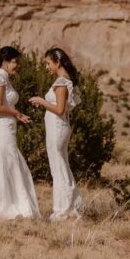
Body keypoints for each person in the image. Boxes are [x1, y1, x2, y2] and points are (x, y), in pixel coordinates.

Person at [29, 46, 83, 220]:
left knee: (58, 168)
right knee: (61, 166)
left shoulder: (61, 82)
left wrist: (41, 101)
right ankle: (69, 206)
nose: (46, 67)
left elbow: (59, 109)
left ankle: (64, 209)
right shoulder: (65, 80)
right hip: (59, 127)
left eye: (48, 63)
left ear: (58, 62)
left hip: (57, 127)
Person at [0, 46, 40, 219]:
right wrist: (16, 113)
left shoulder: (2, 77)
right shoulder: (1, 78)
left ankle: (5, 207)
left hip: (4, 128)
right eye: (15, 61)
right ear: (6, 61)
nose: (18, 65)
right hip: (2, 129)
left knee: (6, 166)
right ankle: (18, 209)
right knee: (11, 165)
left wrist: (17, 115)